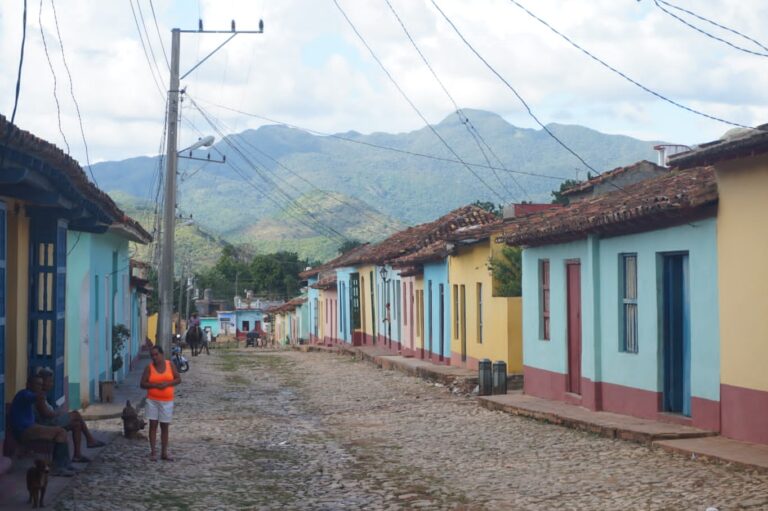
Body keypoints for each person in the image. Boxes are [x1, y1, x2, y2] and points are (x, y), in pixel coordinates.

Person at [35, 368, 106, 463]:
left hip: (51, 421)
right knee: (76, 414)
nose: (52, 384)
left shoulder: (43, 394)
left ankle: (77, 455)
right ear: (43, 382)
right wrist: (58, 414)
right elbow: (46, 414)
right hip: (47, 424)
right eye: (50, 381)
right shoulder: (40, 395)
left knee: (76, 424)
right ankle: (90, 439)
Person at [9, 375, 75, 477]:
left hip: (31, 427)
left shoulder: (32, 395)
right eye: (37, 384)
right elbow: (34, 399)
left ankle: (64, 464)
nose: (40, 386)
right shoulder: (24, 394)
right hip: (25, 431)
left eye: (41, 384)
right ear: (28, 385)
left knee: (62, 432)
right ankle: (58, 467)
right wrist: (40, 396)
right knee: (61, 432)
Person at [140, 345, 181, 461]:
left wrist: (167, 384)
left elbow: (178, 379)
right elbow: (142, 384)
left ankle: (164, 452)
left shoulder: (170, 365)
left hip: (167, 401)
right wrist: (155, 385)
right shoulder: (149, 368)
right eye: (152, 355)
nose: (154, 357)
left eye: (156, 354)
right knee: (153, 425)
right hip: (152, 400)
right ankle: (153, 452)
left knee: (165, 426)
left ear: (162, 354)